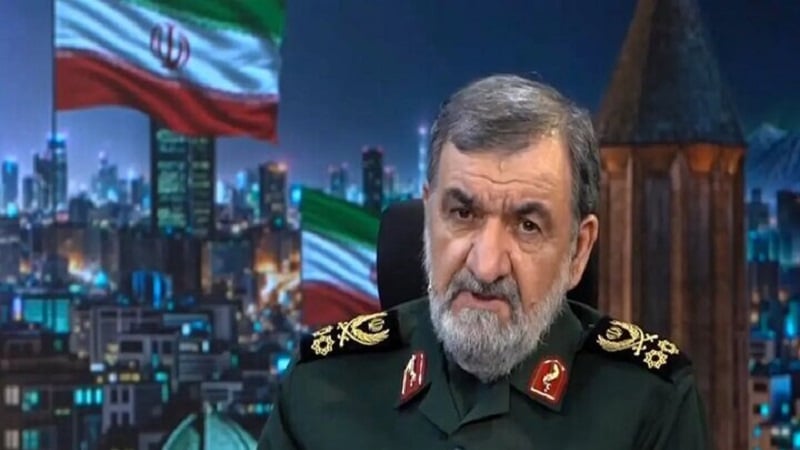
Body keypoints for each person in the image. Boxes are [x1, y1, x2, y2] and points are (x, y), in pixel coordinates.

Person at [258, 74, 710, 449]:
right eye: (462, 214)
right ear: (428, 219)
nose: (486, 266)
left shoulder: (650, 406)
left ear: (578, 250)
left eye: (528, 225)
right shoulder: (320, 387)